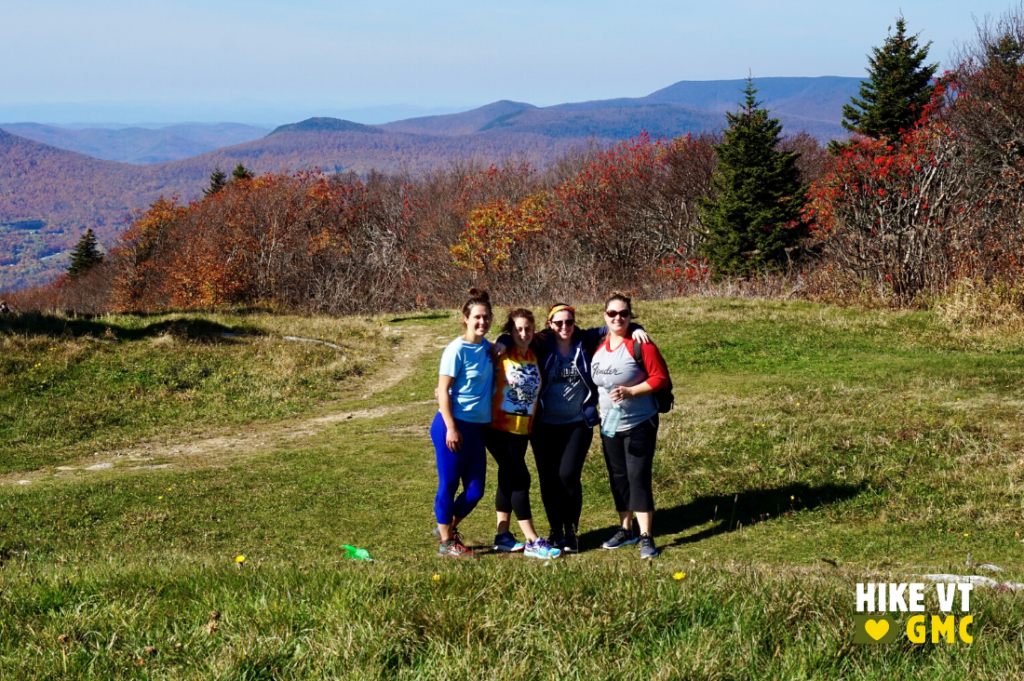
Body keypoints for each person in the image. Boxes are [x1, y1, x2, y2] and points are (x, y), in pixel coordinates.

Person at [498, 304, 649, 553]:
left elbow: (615, 324)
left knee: (568, 475)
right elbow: (514, 334)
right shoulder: (541, 341)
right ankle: (556, 530)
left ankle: (571, 533)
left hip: (578, 422)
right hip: (544, 425)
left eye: (569, 322)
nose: (565, 327)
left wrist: (637, 327)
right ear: (549, 324)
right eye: (559, 323)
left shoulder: (585, 338)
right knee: (548, 479)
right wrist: (503, 338)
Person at [591, 293, 670, 560]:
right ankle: (626, 529)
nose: (618, 318)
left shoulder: (641, 344)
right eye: (612, 314)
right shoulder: (598, 345)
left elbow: (660, 378)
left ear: (630, 316)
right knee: (618, 477)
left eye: (624, 314)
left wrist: (631, 391)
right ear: (605, 316)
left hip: (639, 422)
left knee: (638, 477)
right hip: (609, 424)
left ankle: (646, 535)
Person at [484, 308, 562, 559]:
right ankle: (532, 540)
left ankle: (503, 536)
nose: (523, 333)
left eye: (528, 328)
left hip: (522, 429)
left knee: (507, 478)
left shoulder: (534, 353)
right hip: (498, 428)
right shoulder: (502, 352)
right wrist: (504, 340)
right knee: (520, 478)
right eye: (518, 328)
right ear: (510, 330)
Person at [430, 288, 494, 558]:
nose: (482, 322)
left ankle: (445, 529)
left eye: (486, 317)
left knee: (476, 490)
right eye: (477, 317)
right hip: (452, 425)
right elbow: (442, 390)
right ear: (466, 319)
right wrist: (452, 427)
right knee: (448, 484)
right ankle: (447, 544)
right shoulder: (456, 349)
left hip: (477, 428)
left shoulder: (489, 348)